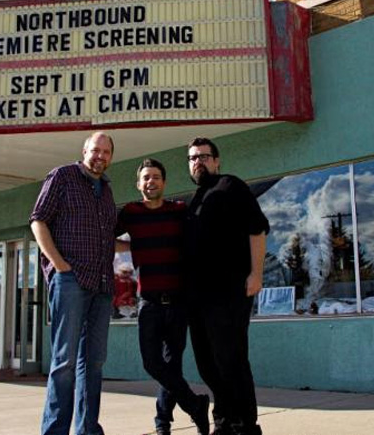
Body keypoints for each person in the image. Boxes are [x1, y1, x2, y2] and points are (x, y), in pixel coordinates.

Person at [30, 132, 117, 435]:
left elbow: (107, 238)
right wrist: (59, 265)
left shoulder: (106, 190)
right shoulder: (63, 176)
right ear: (84, 151)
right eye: (96, 150)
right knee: (64, 362)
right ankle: (54, 431)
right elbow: (38, 220)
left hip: (102, 286)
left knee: (93, 363)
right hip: (71, 281)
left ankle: (87, 429)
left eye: (106, 152)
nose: (100, 156)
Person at [116, 158, 210, 435]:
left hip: (178, 302)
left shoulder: (179, 210)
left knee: (172, 367)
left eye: (156, 176)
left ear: (164, 182)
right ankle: (195, 405)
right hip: (149, 303)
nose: (151, 181)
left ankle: (162, 424)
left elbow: (198, 239)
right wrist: (131, 247)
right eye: (146, 177)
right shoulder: (131, 212)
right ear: (139, 184)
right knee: (152, 363)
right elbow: (104, 236)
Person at [184, 137, 269, 435]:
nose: (198, 162)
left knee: (230, 358)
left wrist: (256, 274)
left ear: (217, 161)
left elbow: (257, 229)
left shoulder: (231, 186)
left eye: (204, 156)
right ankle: (223, 419)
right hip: (197, 298)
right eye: (193, 158)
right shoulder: (195, 199)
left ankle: (245, 424)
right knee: (206, 362)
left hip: (229, 292)